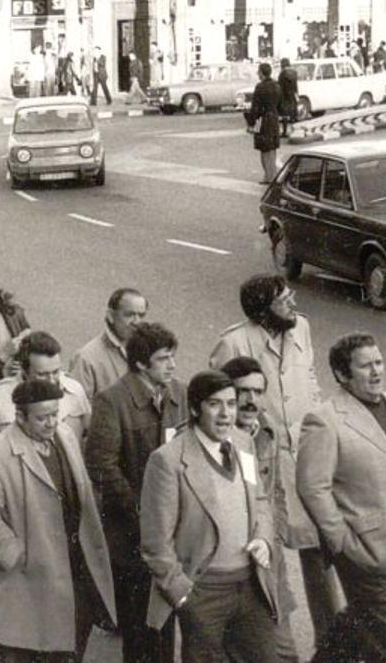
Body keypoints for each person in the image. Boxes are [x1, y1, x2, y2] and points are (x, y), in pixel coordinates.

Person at [209, 274, 337, 649]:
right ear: (263, 309)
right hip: (261, 457)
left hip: (304, 455)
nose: (293, 303)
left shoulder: (303, 329)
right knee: (267, 546)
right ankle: (270, 639)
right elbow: (218, 399)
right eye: (284, 298)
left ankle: (329, 643)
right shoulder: (233, 342)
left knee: (319, 547)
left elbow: (310, 380)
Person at [0, 377, 117, 662]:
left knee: (70, 645)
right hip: (28, 577)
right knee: (27, 650)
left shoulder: (66, 437)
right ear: (19, 416)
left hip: (73, 568)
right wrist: (15, 555)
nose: (51, 423)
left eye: (54, 415)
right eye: (42, 418)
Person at [140, 369, 279, 663]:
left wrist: (264, 539)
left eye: (231, 404)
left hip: (250, 585)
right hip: (203, 592)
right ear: (194, 408)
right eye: (215, 404)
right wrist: (183, 596)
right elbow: (155, 544)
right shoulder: (167, 461)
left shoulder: (243, 442)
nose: (226, 413)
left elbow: (261, 500)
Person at [297, 333, 386, 663]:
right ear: (342, 375)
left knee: (361, 620)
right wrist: (341, 541)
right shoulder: (325, 420)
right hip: (362, 548)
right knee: (383, 635)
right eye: (365, 366)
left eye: (379, 362)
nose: (376, 372)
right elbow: (311, 486)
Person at [85, 322, 187, 663]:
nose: (172, 365)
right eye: (163, 359)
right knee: (142, 629)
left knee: (169, 623)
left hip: (173, 532)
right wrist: (143, 513)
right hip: (132, 536)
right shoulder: (112, 402)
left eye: (173, 357)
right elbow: (102, 466)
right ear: (141, 363)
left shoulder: (180, 395)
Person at [222, 355, 300, 662]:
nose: (251, 400)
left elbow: (276, 492)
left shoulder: (268, 431)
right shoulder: (216, 436)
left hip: (268, 560)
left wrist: (275, 536)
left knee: (284, 652)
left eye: (257, 391)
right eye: (243, 392)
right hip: (232, 564)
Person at [0, 331, 93, 462]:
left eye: (55, 372)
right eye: (42, 374)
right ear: (24, 370)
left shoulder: (75, 391)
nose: (51, 380)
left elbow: (90, 437)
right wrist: (4, 473)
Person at [69, 287, 148, 400]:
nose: (137, 322)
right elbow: (77, 409)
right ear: (111, 316)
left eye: (141, 315)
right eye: (129, 315)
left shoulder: (148, 351)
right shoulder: (87, 358)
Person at [246, 62, 282, 184]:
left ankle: (268, 176)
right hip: (274, 117)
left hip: (261, 119)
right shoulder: (277, 85)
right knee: (272, 147)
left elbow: (255, 107)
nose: (258, 74)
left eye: (258, 72)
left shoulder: (260, 87)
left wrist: (251, 123)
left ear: (262, 73)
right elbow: (280, 103)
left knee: (263, 148)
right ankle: (273, 174)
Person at [277, 57, 299, 135]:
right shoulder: (294, 72)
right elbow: (296, 85)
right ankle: (294, 131)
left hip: (284, 96)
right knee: (293, 114)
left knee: (284, 115)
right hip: (292, 95)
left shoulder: (282, 73)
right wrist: (297, 94)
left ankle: (285, 131)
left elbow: (280, 85)